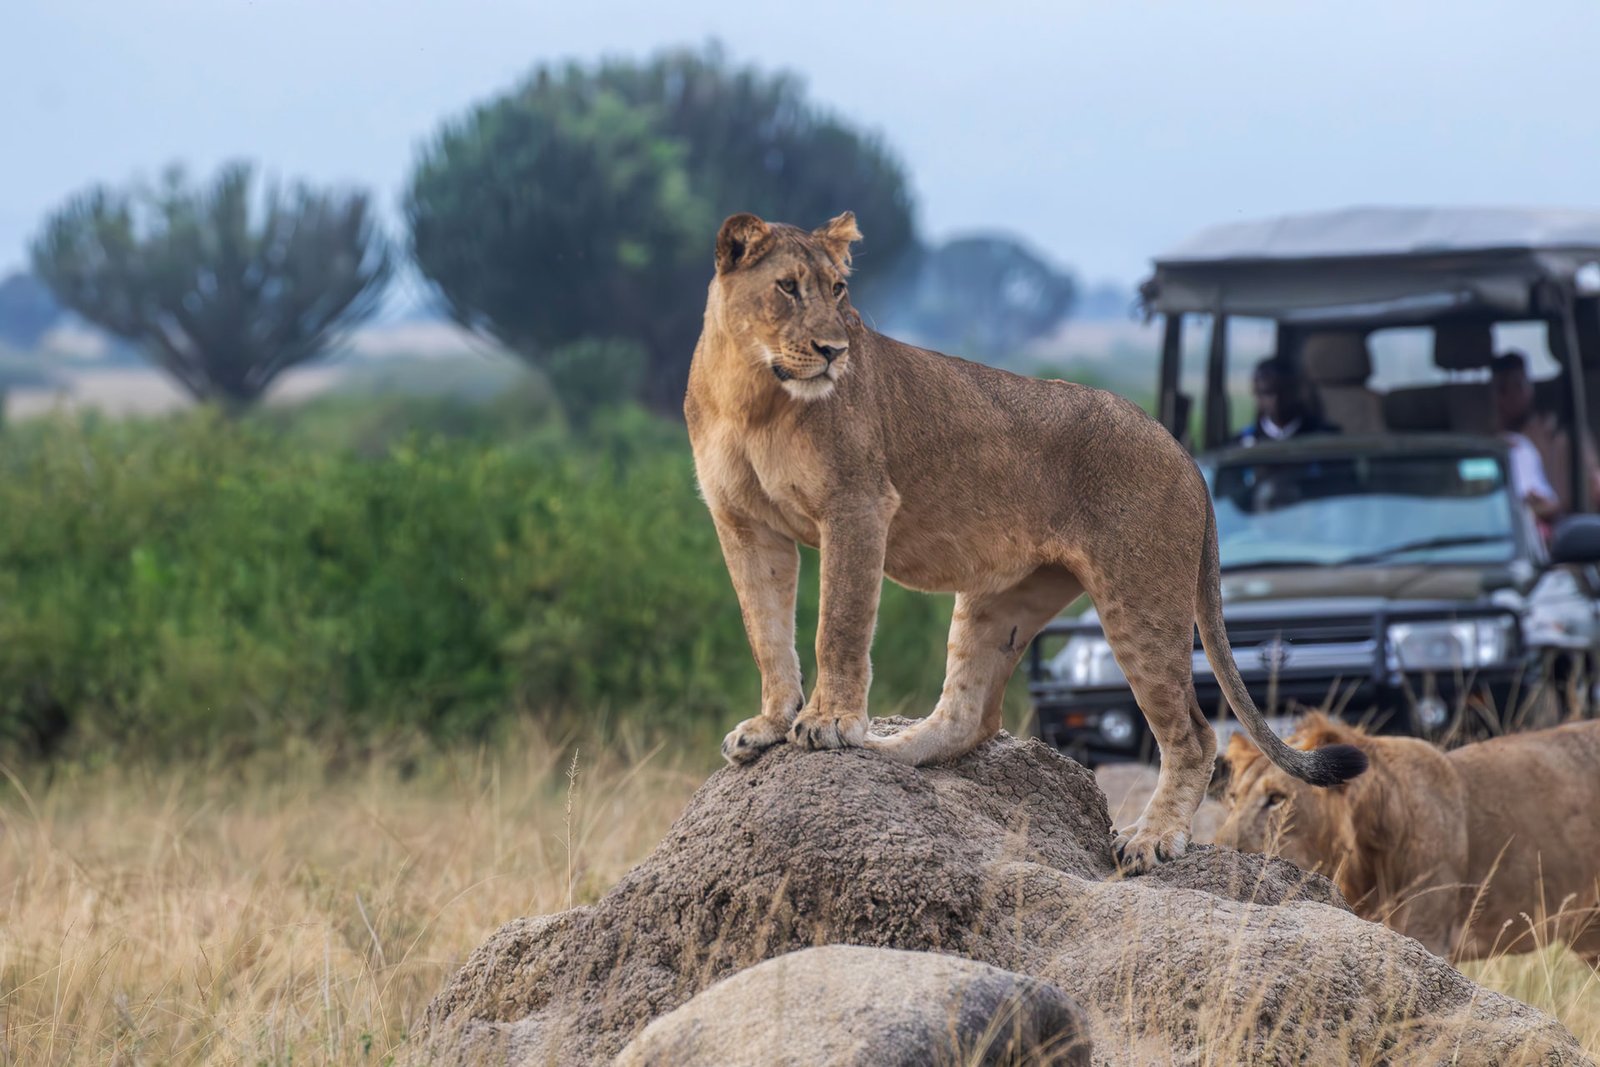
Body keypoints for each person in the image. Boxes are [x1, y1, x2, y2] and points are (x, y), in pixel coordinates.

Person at [1490, 350, 1563, 526]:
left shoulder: (1553, 434)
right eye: (1503, 389)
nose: (1515, 394)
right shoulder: (1504, 445)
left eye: (1521, 385)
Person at [1234, 356, 1340, 446]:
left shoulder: (1325, 440)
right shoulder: (1242, 443)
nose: (1276, 399)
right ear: (1257, 396)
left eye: (1283, 391)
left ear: (1296, 392)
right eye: (1267, 393)